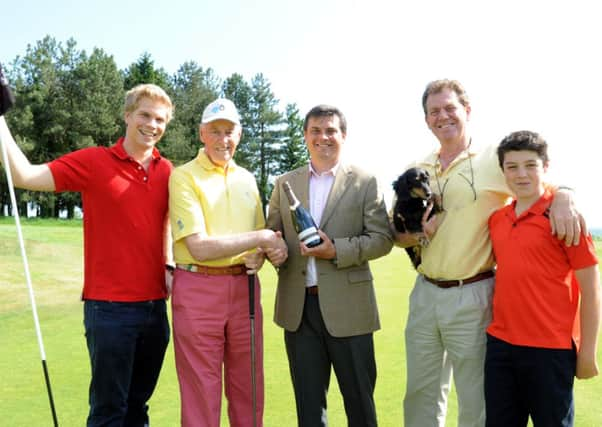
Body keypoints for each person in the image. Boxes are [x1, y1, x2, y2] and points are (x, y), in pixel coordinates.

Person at [393, 79, 585, 427]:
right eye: (434, 111)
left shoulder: (492, 158)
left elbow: (533, 176)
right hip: (424, 294)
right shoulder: (417, 166)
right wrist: (416, 234)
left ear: (467, 110)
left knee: (476, 399)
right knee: (420, 395)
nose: (443, 116)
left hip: (474, 291)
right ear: (426, 120)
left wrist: (566, 194)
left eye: (450, 108)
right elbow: (399, 235)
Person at [0, 83, 174, 426]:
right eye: (144, 115)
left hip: (156, 310)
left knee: (138, 410)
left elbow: (167, 223)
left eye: (160, 119)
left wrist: (168, 263)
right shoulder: (95, 161)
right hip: (109, 311)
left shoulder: (168, 172)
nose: (152, 124)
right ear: (127, 116)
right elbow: (25, 175)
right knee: (109, 412)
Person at [266, 104, 393, 427]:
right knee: (309, 411)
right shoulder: (284, 183)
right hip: (300, 312)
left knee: (360, 407)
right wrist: (274, 251)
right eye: (315, 131)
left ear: (343, 136)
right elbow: (274, 235)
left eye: (330, 130)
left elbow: (381, 239)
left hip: (351, 311)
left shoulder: (365, 181)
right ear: (306, 136)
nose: (323, 137)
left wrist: (335, 249)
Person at [168, 98, 287, 427]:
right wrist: (261, 240)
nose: (223, 139)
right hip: (198, 289)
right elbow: (199, 247)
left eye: (229, 132)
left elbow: (261, 237)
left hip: (244, 289)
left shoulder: (247, 179)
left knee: (249, 388)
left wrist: (263, 253)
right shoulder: (183, 177)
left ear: (240, 134)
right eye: (215, 132)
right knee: (201, 392)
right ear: (201, 134)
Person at [485, 130, 600, 427]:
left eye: (531, 165)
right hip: (500, 346)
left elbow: (591, 288)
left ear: (545, 167)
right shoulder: (497, 219)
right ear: (503, 172)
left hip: (550, 351)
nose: (521, 174)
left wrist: (587, 351)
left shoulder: (565, 218)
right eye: (512, 166)